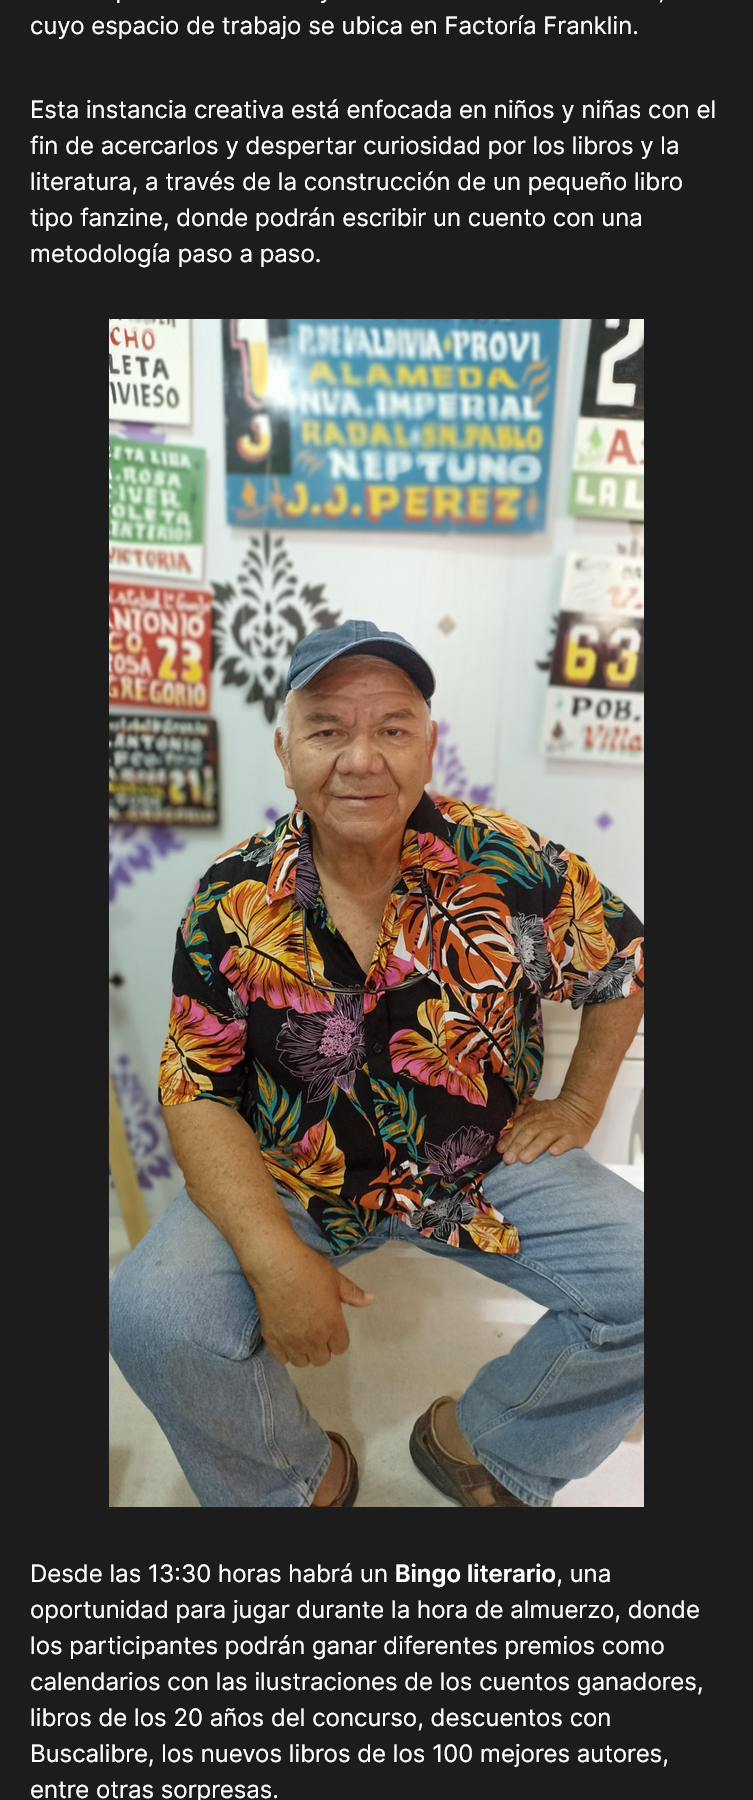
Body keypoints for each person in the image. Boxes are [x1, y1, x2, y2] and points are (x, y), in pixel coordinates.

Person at [109, 619, 644, 1513]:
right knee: (153, 1314)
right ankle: (292, 1483)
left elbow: (623, 965)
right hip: (292, 1172)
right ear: (284, 751)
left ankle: (490, 1446)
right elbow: (196, 1087)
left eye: (392, 728)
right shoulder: (231, 897)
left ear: (428, 746)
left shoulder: (507, 864)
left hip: (477, 1162)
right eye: (327, 728)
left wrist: (579, 1103)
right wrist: (272, 1256)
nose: (361, 759)